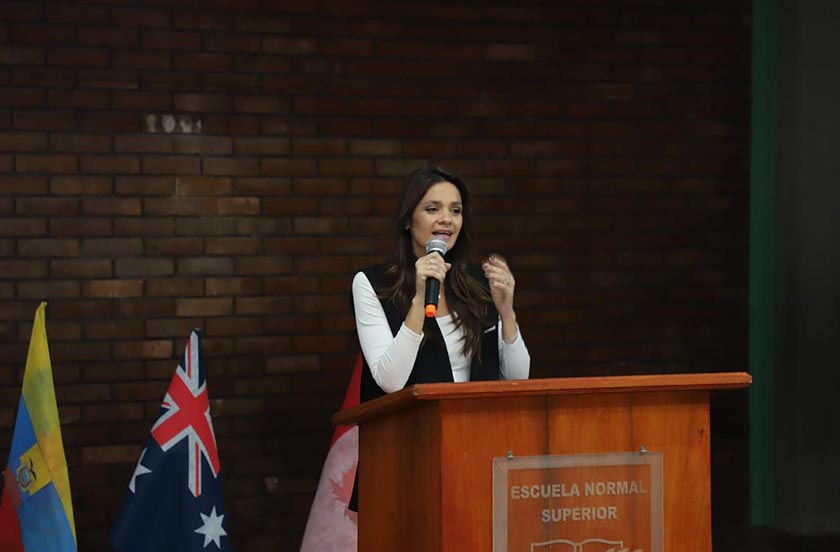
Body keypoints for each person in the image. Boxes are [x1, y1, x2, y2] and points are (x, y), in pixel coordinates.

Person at [351, 165, 530, 404]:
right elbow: (390, 382)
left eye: (455, 210)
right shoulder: (374, 283)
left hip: (477, 421)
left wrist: (507, 314)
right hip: (412, 424)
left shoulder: (480, 281)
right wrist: (419, 300)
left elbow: (517, 380)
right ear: (408, 220)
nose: (446, 219)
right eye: (432, 209)